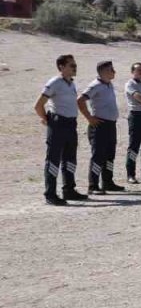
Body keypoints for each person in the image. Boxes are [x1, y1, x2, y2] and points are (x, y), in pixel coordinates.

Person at [35, 54, 87, 204]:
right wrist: (48, 120)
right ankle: (50, 194)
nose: (75, 67)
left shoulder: (71, 83)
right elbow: (38, 105)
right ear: (61, 67)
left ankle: (69, 190)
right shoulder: (55, 82)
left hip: (71, 124)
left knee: (70, 158)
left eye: (75, 65)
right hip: (58, 124)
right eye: (71, 65)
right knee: (53, 159)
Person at [76, 60, 124, 195]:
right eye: (111, 69)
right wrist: (89, 118)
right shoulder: (95, 85)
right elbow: (80, 100)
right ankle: (93, 185)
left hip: (111, 124)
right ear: (102, 71)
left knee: (110, 155)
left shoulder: (108, 84)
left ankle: (108, 181)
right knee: (98, 155)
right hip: (100, 125)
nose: (114, 72)